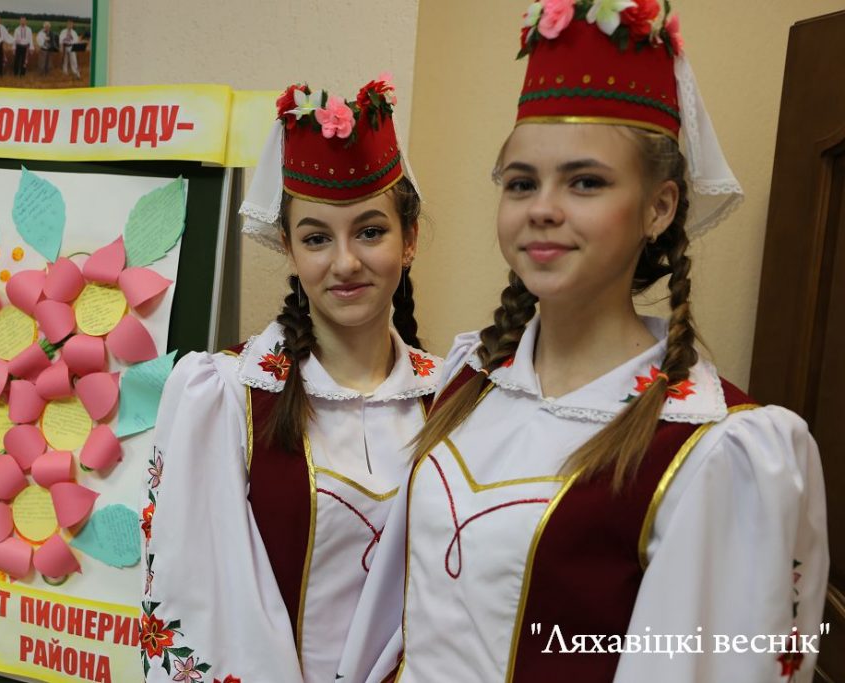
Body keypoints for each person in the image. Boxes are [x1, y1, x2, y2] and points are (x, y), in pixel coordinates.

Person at [337, 5, 830, 683]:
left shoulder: (709, 451)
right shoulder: (470, 382)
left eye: (585, 181)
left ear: (659, 207)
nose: (543, 208)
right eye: (522, 183)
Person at [142, 76, 441, 683]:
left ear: (409, 239)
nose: (345, 262)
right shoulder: (226, 396)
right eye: (316, 238)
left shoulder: (451, 396)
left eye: (370, 231)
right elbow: (195, 599)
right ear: (289, 246)